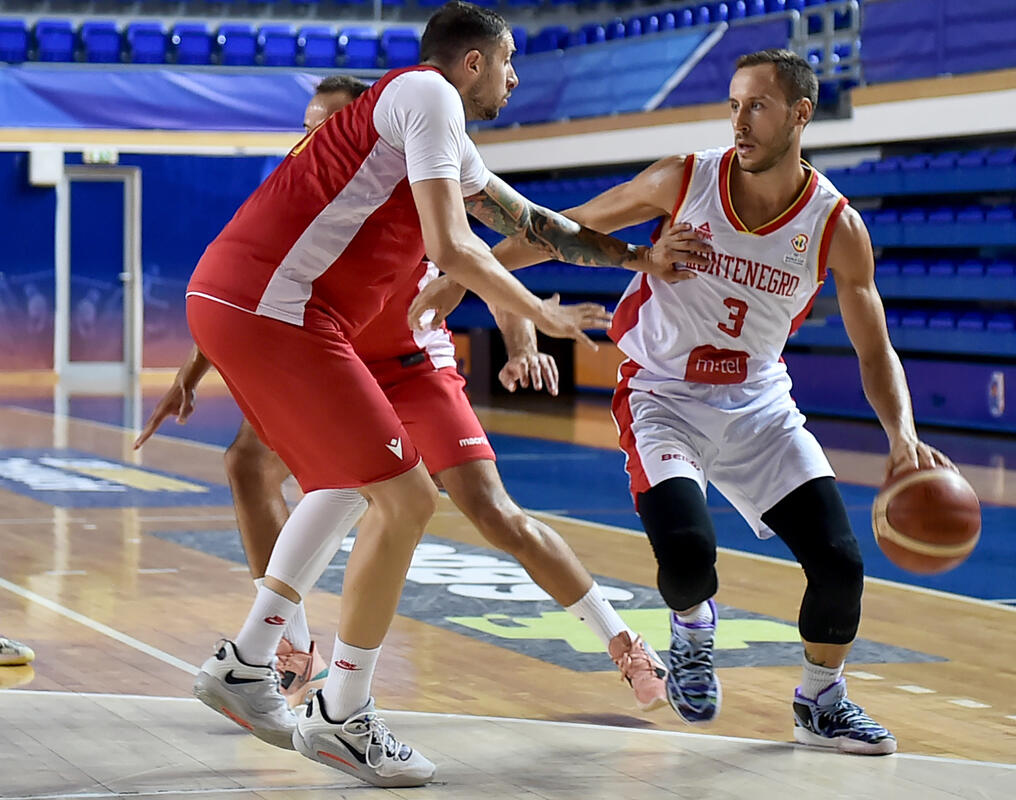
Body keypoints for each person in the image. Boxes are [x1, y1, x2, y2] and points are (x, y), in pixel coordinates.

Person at [181, 2, 702, 788]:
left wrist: (638, 258)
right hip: (279, 309)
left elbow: (537, 225)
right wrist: (539, 314)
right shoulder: (426, 94)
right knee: (406, 500)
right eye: (509, 60)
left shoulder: (436, 131)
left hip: (249, 303)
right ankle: (341, 712)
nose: (515, 77)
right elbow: (453, 246)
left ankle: (249, 662)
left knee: (346, 487)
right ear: (473, 62)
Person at [415, 48, 957, 756]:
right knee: (688, 552)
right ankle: (693, 629)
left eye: (757, 106)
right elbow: (569, 226)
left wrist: (902, 436)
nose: (740, 121)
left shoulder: (835, 226)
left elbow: (873, 348)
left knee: (839, 564)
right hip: (662, 395)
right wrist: (465, 275)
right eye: (733, 105)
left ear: (801, 113)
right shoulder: (686, 178)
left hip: (760, 405)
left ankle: (820, 702)